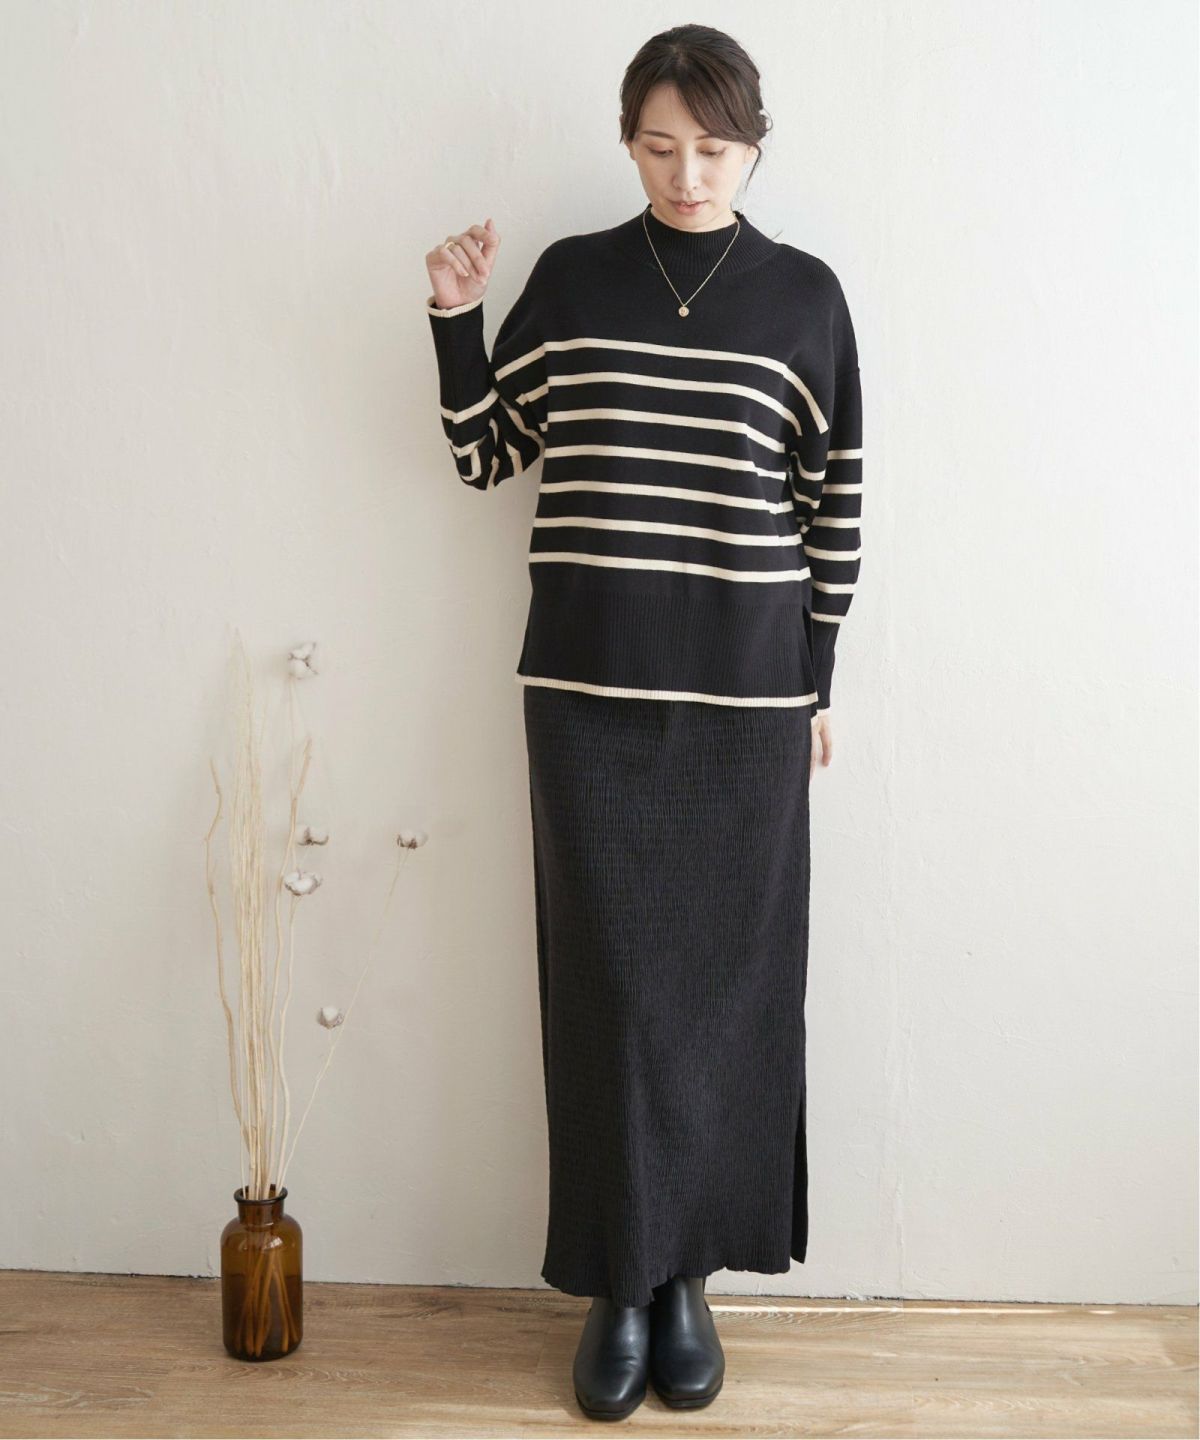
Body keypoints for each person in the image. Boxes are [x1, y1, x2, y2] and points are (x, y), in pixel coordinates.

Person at [423, 22, 863, 1423]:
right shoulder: (575, 278)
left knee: (729, 999)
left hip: (748, 712)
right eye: (662, 146)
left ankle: (689, 1282)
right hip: (589, 702)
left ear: (753, 150)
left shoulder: (805, 299)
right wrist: (454, 320)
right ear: (629, 141)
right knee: (606, 998)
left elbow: (834, 509)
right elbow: (490, 452)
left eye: (714, 149)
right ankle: (619, 1280)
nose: (687, 174)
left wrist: (818, 683)